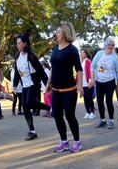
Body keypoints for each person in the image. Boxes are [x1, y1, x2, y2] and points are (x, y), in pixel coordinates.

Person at [46, 21, 83, 153]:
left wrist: (80, 85)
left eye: (59, 32)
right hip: (56, 90)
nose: (56, 34)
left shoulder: (72, 50)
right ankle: (64, 142)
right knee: (57, 115)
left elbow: (79, 69)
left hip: (69, 90)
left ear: (65, 33)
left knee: (69, 115)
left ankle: (77, 141)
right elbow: (53, 68)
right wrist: (48, 84)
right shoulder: (55, 49)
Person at [13, 34, 51, 141]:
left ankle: (50, 108)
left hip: (33, 83)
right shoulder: (17, 56)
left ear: (25, 44)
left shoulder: (31, 57)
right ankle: (32, 131)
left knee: (29, 103)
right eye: (17, 43)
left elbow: (41, 71)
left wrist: (47, 85)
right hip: (24, 84)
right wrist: (15, 85)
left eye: (19, 43)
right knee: (25, 107)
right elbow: (16, 71)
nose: (17, 45)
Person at [90, 37, 118, 129]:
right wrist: (92, 79)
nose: (110, 47)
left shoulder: (115, 57)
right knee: (99, 101)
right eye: (108, 44)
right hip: (99, 82)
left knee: (108, 100)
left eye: (112, 45)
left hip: (110, 82)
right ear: (105, 45)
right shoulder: (99, 54)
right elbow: (93, 66)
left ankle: (111, 120)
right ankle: (102, 120)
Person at [80, 49, 95, 120]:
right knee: (85, 98)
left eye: (82, 53)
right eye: (80, 53)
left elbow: (90, 72)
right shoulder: (81, 62)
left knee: (89, 98)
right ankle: (87, 112)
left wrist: (90, 81)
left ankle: (92, 113)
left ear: (86, 54)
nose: (81, 54)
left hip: (88, 83)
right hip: (83, 83)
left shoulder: (88, 62)